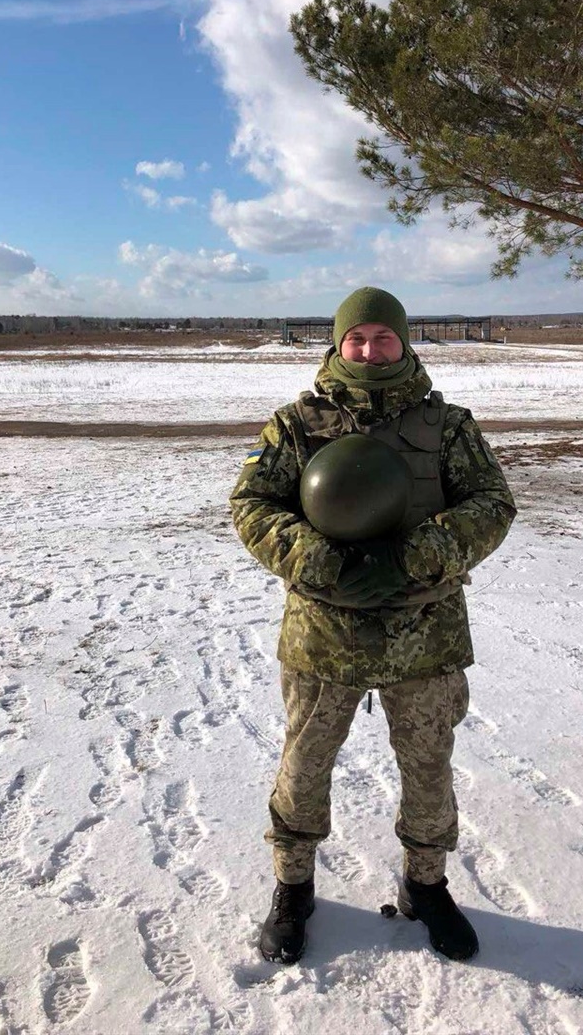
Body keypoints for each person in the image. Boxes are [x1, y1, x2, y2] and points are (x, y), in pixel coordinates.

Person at [229, 287, 516, 964]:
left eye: (383, 336)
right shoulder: (295, 425)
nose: (369, 349)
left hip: (425, 631)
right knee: (304, 765)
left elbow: (492, 503)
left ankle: (427, 886)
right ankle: (293, 887)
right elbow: (252, 505)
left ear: (403, 342)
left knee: (428, 766)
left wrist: (416, 555)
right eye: (356, 338)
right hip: (324, 633)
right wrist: (320, 559)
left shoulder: (448, 427)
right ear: (338, 343)